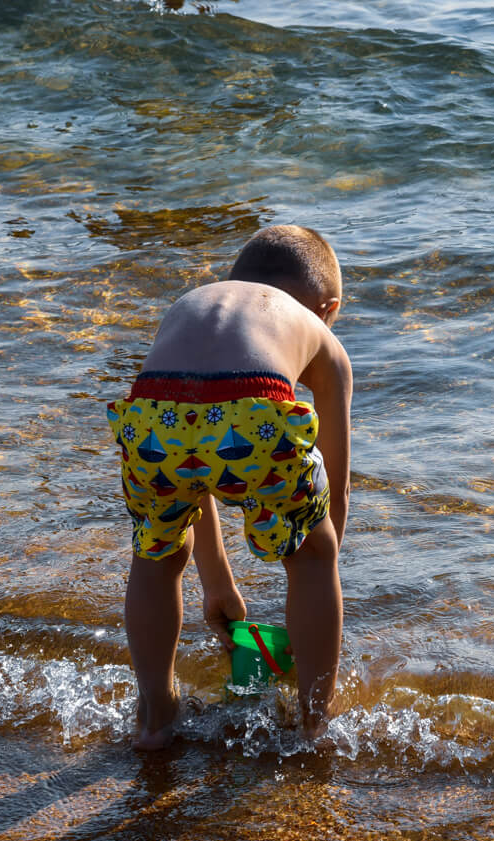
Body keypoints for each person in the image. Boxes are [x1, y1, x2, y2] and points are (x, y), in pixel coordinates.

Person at [107, 225, 352, 750]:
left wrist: (217, 583)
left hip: (152, 413)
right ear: (328, 308)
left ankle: (155, 716)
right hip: (256, 404)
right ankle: (315, 723)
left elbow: (198, 463)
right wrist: (318, 551)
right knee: (314, 551)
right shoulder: (317, 330)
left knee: (157, 552)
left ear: (236, 280)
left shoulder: (193, 305)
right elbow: (336, 481)